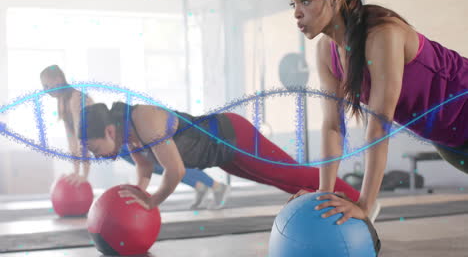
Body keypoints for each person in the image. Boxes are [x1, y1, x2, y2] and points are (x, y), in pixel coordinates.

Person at [288, 0, 467, 225]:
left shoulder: (382, 34)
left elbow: (378, 128)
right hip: (449, 139)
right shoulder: (326, 51)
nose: (296, 13)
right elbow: (333, 126)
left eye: (305, 1)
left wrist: (364, 205)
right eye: (293, 3)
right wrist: (324, 193)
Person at [78, 101, 363, 214]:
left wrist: (152, 202)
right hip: (222, 155)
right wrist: (139, 191)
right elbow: (144, 166)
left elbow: (174, 171)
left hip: (232, 136)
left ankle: (361, 206)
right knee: (282, 183)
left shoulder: (143, 118)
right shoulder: (127, 135)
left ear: (109, 130)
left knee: (291, 175)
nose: (96, 155)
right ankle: (338, 206)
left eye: (94, 147)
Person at [40, 65, 227, 209]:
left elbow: (87, 138)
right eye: (44, 86)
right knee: (160, 166)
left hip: (119, 138)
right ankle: (201, 185)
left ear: (59, 79)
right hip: (117, 141)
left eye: (48, 84)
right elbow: (74, 142)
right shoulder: (62, 103)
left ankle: (213, 185)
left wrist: (84, 175)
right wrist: (76, 172)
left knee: (165, 165)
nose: (46, 89)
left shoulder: (75, 99)